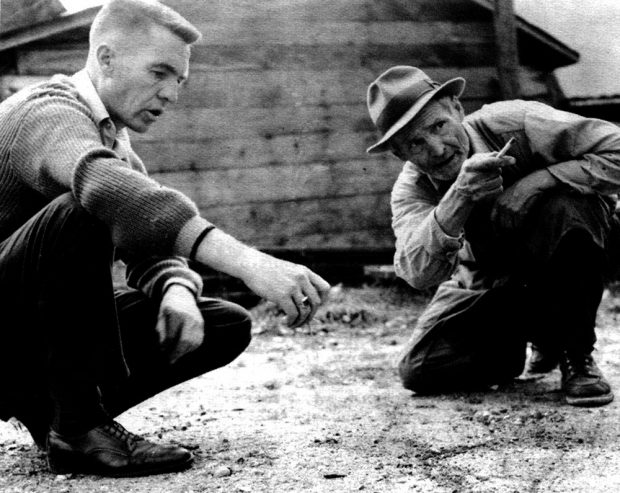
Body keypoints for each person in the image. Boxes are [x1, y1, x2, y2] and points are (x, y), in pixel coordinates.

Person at [0, 0, 330, 478]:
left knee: (223, 323)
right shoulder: (47, 112)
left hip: (18, 331)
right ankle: (78, 424)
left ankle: (53, 416)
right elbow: (108, 193)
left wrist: (177, 290)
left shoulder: (114, 144)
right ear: (106, 58)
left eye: (180, 80)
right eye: (160, 72)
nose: (172, 93)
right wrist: (252, 264)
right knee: (84, 207)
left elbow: (144, 242)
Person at [365, 65, 620, 408]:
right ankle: (536, 337)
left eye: (439, 125)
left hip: (568, 254)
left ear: (457, 108)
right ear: (400, 154)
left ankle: (577, 355)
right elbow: (417, 273)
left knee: (567, 207)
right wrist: (460, 196)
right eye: (416, 143)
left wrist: (540, 181)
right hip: (491, 281)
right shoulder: (413, 189)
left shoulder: (517, 122)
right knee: (421, 368)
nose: (437, 149)